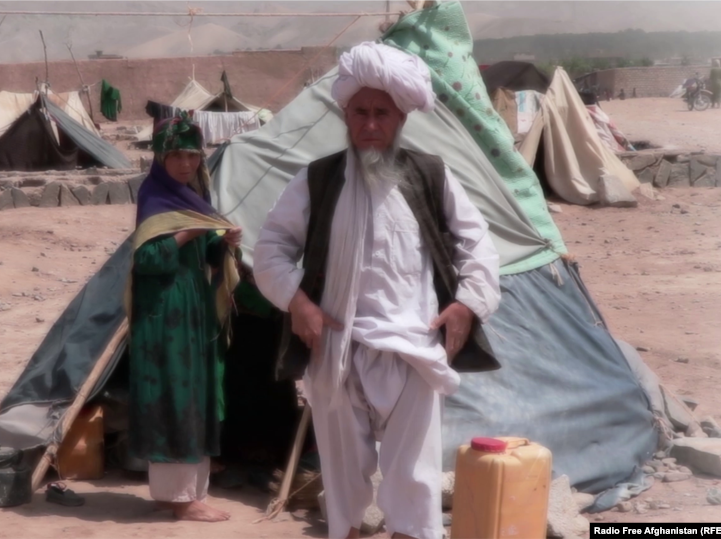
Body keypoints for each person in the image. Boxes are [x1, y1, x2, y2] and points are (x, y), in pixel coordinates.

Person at [252, 42, 501, 539]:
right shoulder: (318, 178)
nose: (370, 125)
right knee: (343, 484)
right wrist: (297, 302)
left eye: (381, 114)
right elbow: (271, 248)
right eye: (360, 112)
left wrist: (466, 305)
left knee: (415, 480)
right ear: (345, 114)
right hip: (337, 350)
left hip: (415, 348)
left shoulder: (430, 174)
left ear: (401, 118)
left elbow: (478, 244)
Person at [126, 111, 243, 522]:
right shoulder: (154, 198)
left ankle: (180, 493)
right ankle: (182, 501)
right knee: (175, 397)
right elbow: (148, 259)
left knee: (194, 393)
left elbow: (205, 257)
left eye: (193, 156)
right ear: (160, 156)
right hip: (164, 313)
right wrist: (190, 231)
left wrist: (222, 243)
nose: (186, 164)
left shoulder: (192, 199)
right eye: (177, 155)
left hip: (192, 308)